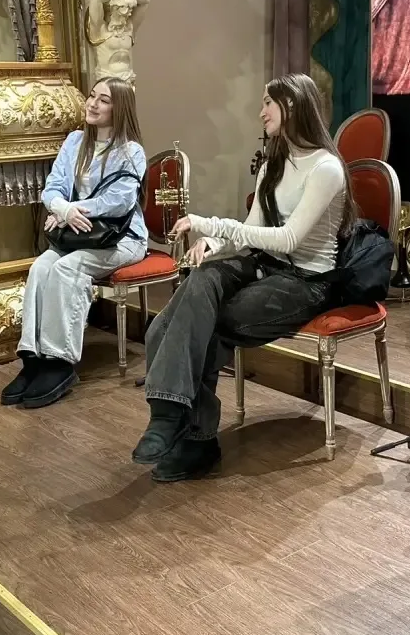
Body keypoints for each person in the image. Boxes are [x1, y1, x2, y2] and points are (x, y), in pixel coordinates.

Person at [131, 73, 352, 482]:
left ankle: (194, 436)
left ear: (292, 104)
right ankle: (168, 414)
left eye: (268, 102)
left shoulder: (326, 168)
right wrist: (213, 243)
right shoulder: (273, 164)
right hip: (265, 265)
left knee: (202, 321)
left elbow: (288, 239)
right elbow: (253, 229)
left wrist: (209, 223)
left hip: (307, 281)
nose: (261, 112)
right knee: (186, 299)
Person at [0, 77, 147, 408]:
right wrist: (62, 208)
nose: (92, 103)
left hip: (121, 239)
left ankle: (60, 363)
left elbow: (119, 202)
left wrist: (70, 211)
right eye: (92, 96)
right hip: (80, 235)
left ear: (120, 108)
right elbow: (52, 188)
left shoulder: (131, 152)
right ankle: (33, 359)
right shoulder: (75, 142)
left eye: (104, 100)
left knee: (67, 268)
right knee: (41, 267)